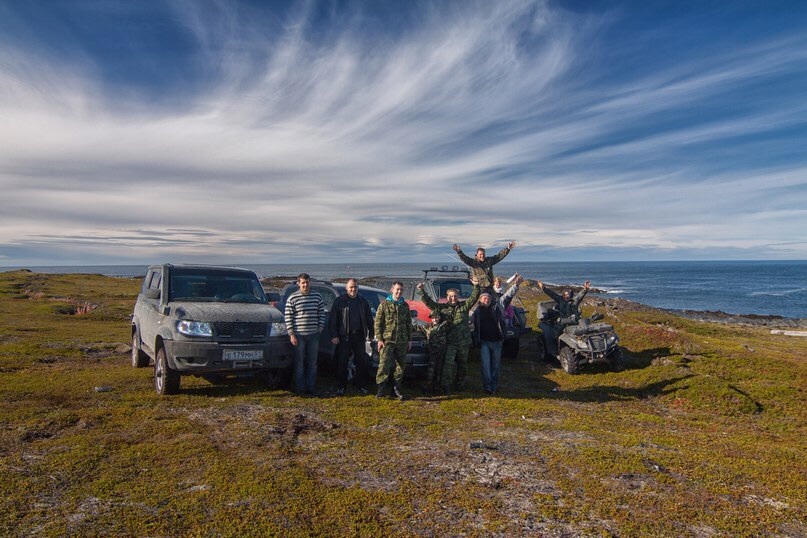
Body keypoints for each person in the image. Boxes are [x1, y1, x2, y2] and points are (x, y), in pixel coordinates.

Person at [416, 277, 480, 392]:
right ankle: (446, 385)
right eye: (451, 296)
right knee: (448, 364)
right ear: (447, 297)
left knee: (462, 364)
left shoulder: (464, 306)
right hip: (450, 341)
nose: (453, 298)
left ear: (458, 296)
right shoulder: (443, 308)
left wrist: (476, 286)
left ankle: (460, 384)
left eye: (455, 296)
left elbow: (474, 298)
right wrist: (422, 291)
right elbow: (430, 304)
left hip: (464, 341)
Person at [472, 274, 523, 394]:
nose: (486, 300)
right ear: (480, 300)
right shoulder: (476, 311)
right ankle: (487, 386)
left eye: (488, 298)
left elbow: (507, 296)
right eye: (484, 298)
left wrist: (515, 285)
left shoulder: (497, 306)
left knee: (495, 366)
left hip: (497, 341)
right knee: (485, 366)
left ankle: (493, 386)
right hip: (484, 342)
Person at [328, 278, 374, 396]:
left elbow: (369, 319)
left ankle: (360, 385)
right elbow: (333, 320)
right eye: (351, 287)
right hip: (344, 336)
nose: (353, 289)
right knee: (342, 362)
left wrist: (371, 333)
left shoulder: (362, 301)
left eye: (355, 287)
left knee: (361, 362)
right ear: (346, 288)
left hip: (359, 336)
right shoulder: (340, 301)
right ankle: (341, 387)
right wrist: (334, 335)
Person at [284, 273, 326, 396]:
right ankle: (300, 388)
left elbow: (321, 313)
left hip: (314, 335)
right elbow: (288, 317)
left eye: (307, 282)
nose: (305, 285)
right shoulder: (292, 298)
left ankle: (311, 387)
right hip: (299, 336)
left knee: (312, 363)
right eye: (303, 282)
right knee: (299, 362)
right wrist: (291, 334)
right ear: (299, 283)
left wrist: (320, 327)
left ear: (310, 283)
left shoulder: (317, 296)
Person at [374, 281, 413, 400]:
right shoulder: (384, 304)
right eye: (397, 289)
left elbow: (408, 323)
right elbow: (378, 323)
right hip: (387, 340)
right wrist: (380, 339)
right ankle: (381, 389)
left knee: (400, 366)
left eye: (401, 290)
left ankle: (396, 389)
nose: (399, 292)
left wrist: (409, 339)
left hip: (401, 341)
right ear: (392, 289)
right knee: (384, 365)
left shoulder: (404, 306)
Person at [537, 280, 591, 357]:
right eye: (565, 295)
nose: (566, 296)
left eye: (568, 295)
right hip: (563, 321)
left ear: (571, 295)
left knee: (585, 331)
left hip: (574, 322)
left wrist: (585, 289)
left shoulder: (574, 301)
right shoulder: (560, 300)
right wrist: (543, 287)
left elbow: (580, 295)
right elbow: (552, 294)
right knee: (555, 335)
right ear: (563, 295)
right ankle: (554, 349)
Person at [416, 310, 450, 394]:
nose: (435, 319)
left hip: (441, 351)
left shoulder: (444, 326)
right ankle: (428, 386)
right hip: (432, 352)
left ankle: (437, 387)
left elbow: (449, 320)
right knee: (430, 370)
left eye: (437, 317)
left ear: (440, 317)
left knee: (439, 369)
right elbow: (417, 327)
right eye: (433, 318)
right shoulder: (428, 327)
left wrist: (444, 313)